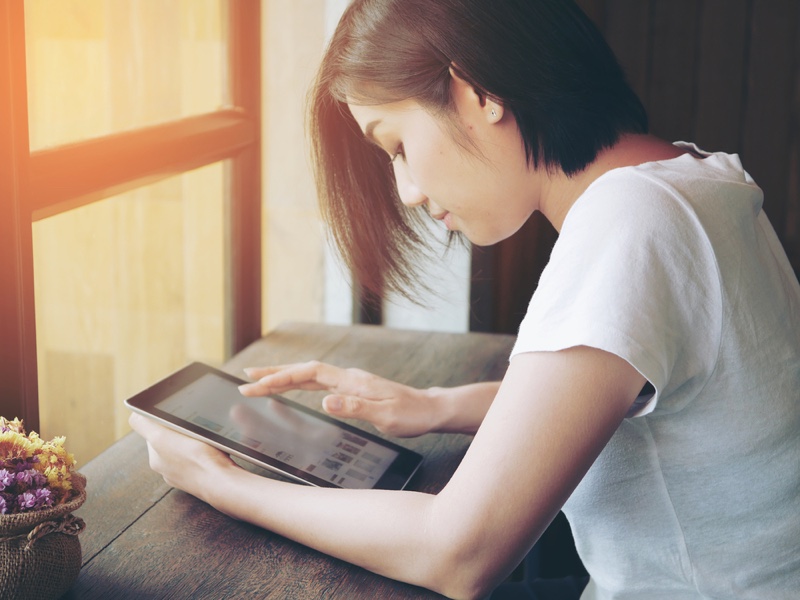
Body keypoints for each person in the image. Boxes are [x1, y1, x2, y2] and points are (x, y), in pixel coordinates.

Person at [129, 0, 800, 598]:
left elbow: (459, 553)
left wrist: (224, 484)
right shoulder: (695, 180)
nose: (409, 193)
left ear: (476, 91)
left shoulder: (630, 225)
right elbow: (644, 401)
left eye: (395, 145)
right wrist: (435, 407)